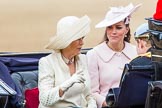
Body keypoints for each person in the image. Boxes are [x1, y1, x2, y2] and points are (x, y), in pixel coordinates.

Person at [86, 3, 141, 108]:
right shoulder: (94, 54)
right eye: (110, 27)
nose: (113, 32)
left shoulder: (135, 52)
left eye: (118, 27)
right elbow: (91, 92)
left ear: (127, 29)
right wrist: (107, 103)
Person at [38, 15, 97, 108]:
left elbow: (88, 95)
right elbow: (45, 99)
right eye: (78, 39)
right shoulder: (47, 62)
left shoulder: (83, 59)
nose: (82, 43)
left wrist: (92, 105)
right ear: (67, 41)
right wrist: (67, 84)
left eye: (83, 38)